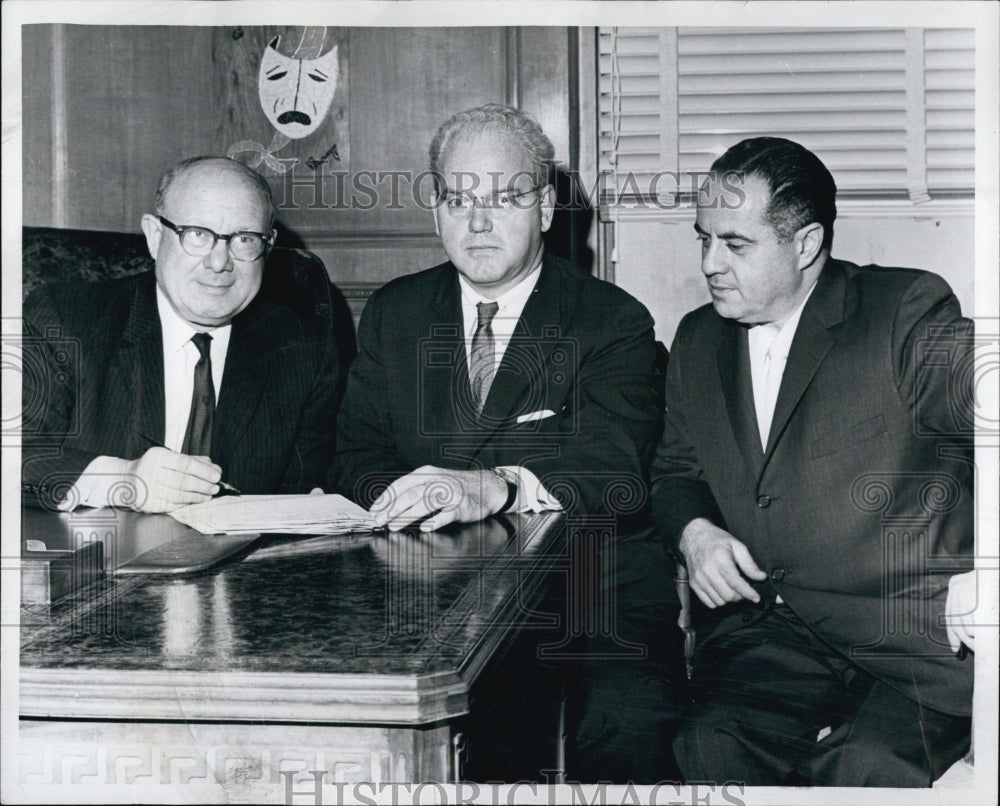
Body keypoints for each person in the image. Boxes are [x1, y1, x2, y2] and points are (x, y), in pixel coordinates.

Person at [329, 104, 685, 782]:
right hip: (428, 588)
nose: (479, 220)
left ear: (547, 208)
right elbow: (352, 458)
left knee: (623, 729)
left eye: (507, 196)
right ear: (436, 209)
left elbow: (614, 472)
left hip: (589, 585)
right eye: (459, 198)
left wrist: (497, 485)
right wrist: (410, 504)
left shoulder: (611, 321)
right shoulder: (396, 313)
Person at [651, 136, 975, 786]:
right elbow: (675, 473)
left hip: (906, 641)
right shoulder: (697, 339)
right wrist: (695, 533)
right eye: (703, 239)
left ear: (805, 245)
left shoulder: (901, 314)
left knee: (860, 773)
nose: (711, 262)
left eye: (735, 245)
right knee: (709, 750)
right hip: (771, 630)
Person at [22, 156, 343, 512]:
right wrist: (123, 480)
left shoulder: (301, 349)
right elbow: (13, 456)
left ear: (267, 247)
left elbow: (309, 484)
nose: (219, 262)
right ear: (155, 236)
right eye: (198, 235)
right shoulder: (66, 320)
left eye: (244, 239)